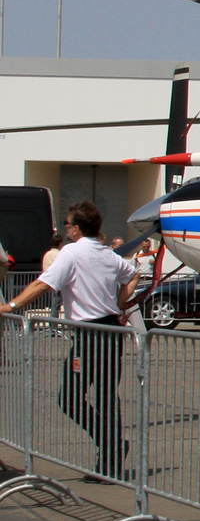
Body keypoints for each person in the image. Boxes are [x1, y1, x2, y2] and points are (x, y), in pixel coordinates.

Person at [0, 201, 139, 479]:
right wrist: (121, 301)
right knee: (104, 397)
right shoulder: (107, 253)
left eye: (67, 225)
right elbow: (132, 273)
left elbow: (43, 284)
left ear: (75, 228)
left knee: (72, 399)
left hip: (91, 333)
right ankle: (111, 451)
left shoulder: (72, 253)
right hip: (108, 331)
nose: (65, 230)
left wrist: (10, 306)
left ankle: (110, 450)